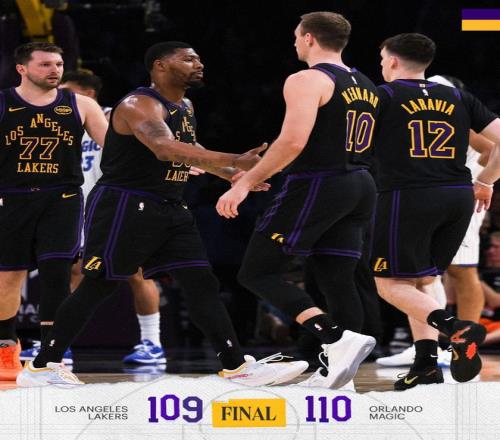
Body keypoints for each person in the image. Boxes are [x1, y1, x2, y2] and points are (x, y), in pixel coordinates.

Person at [16, 41, 308, 387]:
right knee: (98, 285)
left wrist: (230, 173)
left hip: (170, 205)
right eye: (188, 58)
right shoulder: (138, 104)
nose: (199, 63)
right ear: (160, 65)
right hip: (126, 205)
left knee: (202, 283)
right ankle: (43, 366)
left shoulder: (185, 105)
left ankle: (236, 366)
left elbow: (189, 148)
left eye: (199, 57)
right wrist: (234, 158)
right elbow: (164, 148)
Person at [217, 11, 377, 389]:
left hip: (319, 183)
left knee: (256, 272)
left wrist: (245, 183)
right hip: (360, 183)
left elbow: (293, 141)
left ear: (309, 38)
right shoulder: (366, 83)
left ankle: (334, 339)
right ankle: (339, 375)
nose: (293, 43)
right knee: (337, 279)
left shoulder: (307, 78)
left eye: (295, 36)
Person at [371, 33, 500, 390]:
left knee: (390, 284)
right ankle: (426, 364)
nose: (381, 65)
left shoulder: (384, 95)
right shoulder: (459, 96)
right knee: (423, 279)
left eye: (382, 59)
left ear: (392, 61)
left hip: (409, 195)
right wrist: (487, 181)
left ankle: (455, 329)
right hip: (458, 197)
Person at [18, 70, 167, 366]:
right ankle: (59, 345)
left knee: (136, 273)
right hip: (81, 208)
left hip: (119, 205)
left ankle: (153, 343)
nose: (60, 96)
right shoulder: (64, 122)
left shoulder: (115, 117)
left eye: (68, 91)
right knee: (72, 272)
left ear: (89, 94)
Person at [0, 42, 108, 381]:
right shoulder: (3, 102)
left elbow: (116, 150)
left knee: (57, 274)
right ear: (22, 68)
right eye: (45, 64)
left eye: (59, 64)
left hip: (62, 198)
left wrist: (171, 161)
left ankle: (51, 357)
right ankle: (5, 348)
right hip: (11, 197)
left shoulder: (81, 104)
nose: (55, 70)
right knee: (9, 277)